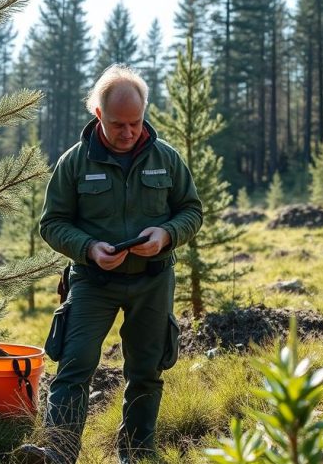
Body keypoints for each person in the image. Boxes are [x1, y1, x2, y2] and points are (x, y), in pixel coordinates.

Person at [15, 65, 203, 464]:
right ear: (98, 115)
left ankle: (137, 454)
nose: (129, 132)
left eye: (136, 122)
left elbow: (191, 211)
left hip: (153, 281)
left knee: (146, 372)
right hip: (92, 281)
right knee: (74, 366)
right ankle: (58, 453)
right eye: (119, 124)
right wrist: (89, 247)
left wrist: (166, 235)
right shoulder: (74, 162)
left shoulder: (166, 158)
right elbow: (51, 223)